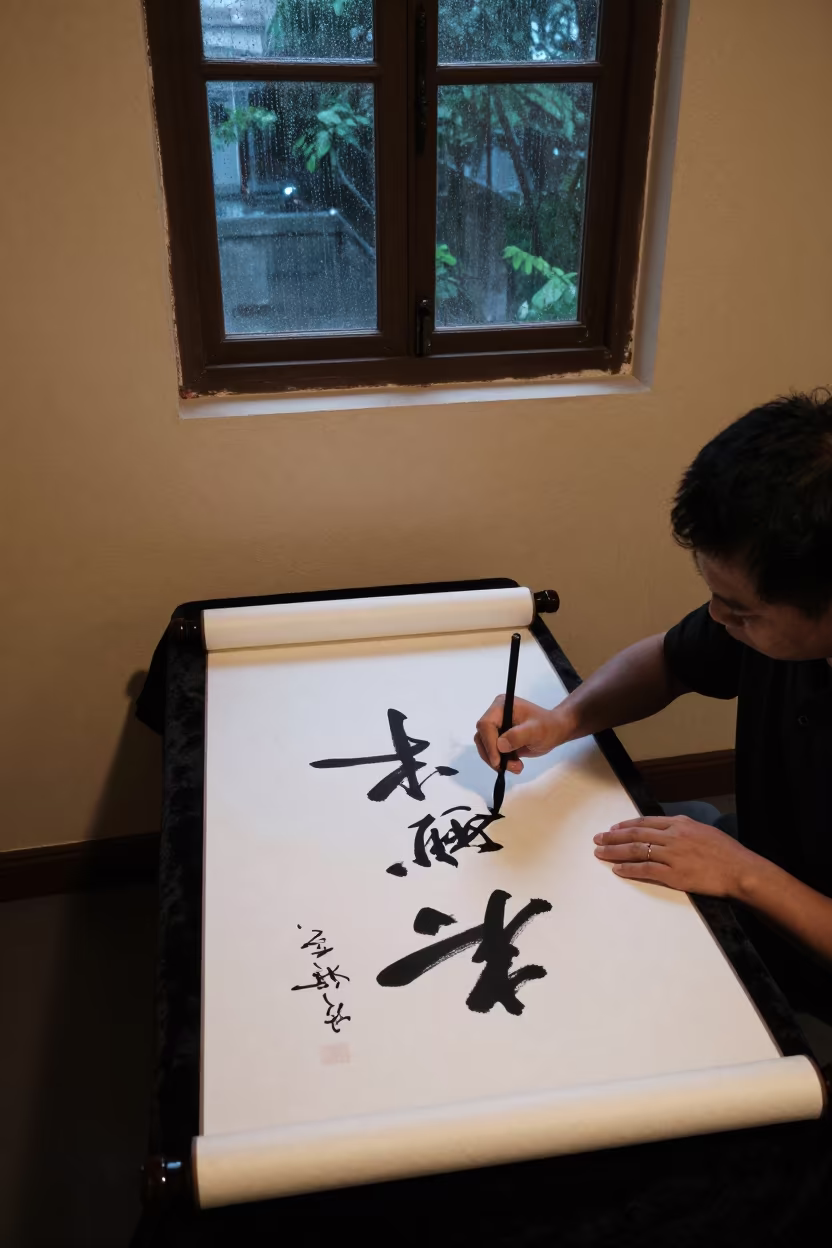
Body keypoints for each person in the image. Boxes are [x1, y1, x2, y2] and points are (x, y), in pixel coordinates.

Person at [475, 390, 832, 1046]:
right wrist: (563, 719)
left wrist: (744, 873)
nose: (720, 619)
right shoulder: (769, 617)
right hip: (757, 865)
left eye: (740, 610)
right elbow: (669, 662)